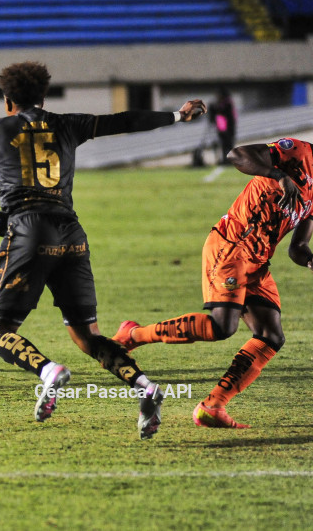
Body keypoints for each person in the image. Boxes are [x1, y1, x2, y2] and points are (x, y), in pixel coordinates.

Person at [0, 61, 207, 439]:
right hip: (71, 232)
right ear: (44, 97)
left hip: (29, 231)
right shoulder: (68, 123)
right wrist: (178, 115)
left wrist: (11, 200)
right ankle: (144, 387)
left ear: (7, 100)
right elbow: (123, 121)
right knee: (88, 335)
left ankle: (49, 372)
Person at [114, 137, 313, 428]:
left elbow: (297, 247)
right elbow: (237, 154)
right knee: (223, 326)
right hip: (231, 245)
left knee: (271, 336)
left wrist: (310, 260)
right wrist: (279, 175)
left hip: (257, 261)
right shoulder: (297, 152)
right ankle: (133, 336)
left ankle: (213, 407)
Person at [209, 87, 237, 165]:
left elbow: (222, 112)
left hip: (228, 127)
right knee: (224, 144)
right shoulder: (224, 103)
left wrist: (214, 108)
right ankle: (226, 159)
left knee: (228, 144)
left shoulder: (227, 103)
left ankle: (229, 159)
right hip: (223, 127)